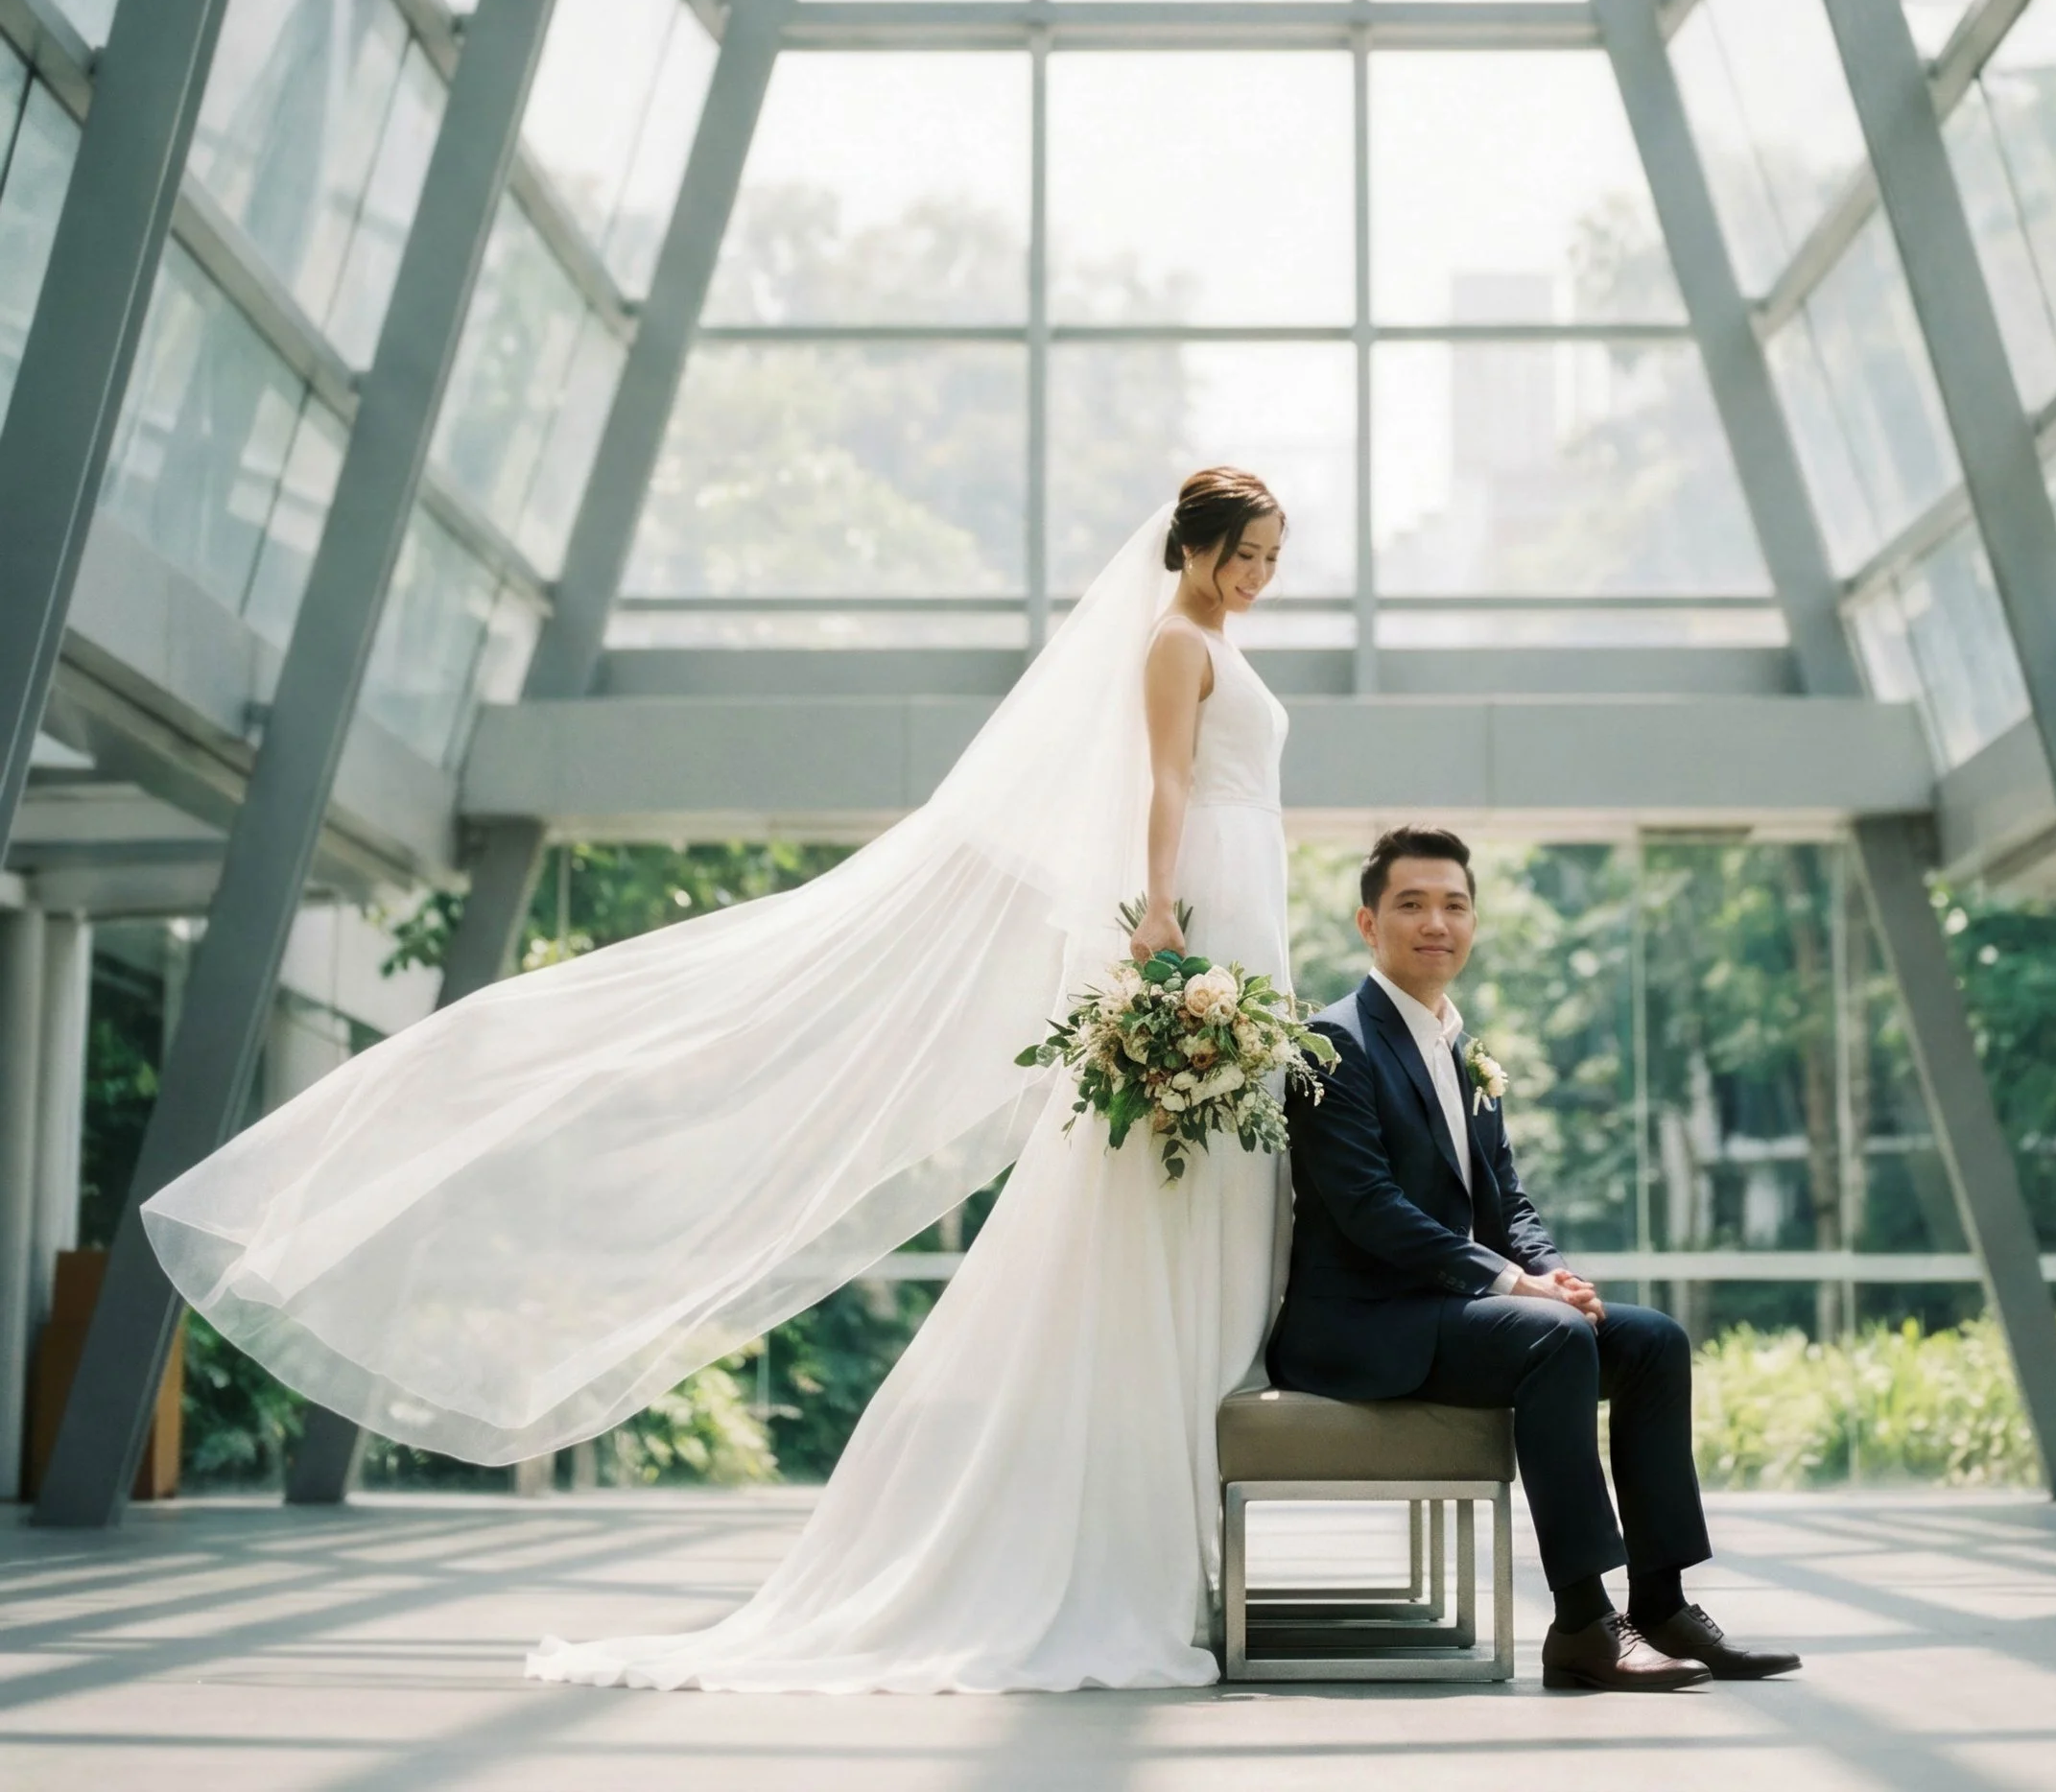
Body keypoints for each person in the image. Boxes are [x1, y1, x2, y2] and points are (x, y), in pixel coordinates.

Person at [145, 471, 1295, 1693]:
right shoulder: (1175, 641)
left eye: (1274, 558)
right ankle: (1126, 1545)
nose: (1260, 575)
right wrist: (1160, 907)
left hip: (1245, 899)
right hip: (1201, 903)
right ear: (1196, 543)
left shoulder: (1218, 637)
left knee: (1208, 1195)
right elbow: (1162, 782)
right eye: (1249, 552)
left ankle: (1171, 1543)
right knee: (1152, 1204)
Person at [1271, 826, 1802, 1694]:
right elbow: (1370, 1209)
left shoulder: (1464, 1050)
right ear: (1369, 924)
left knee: (1652, 1339)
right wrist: (1517, 1285)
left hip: (1458, 1311)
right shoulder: (1332, 1046)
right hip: (1361, 1325)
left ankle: (1661, 1600)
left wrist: (1558, 1277)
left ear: (1474, 921)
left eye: (1454, 903)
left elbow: (1506, 1200)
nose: (1435, 920)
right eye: (1411, 903)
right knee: (1550, 1339)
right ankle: (1584, 1622)